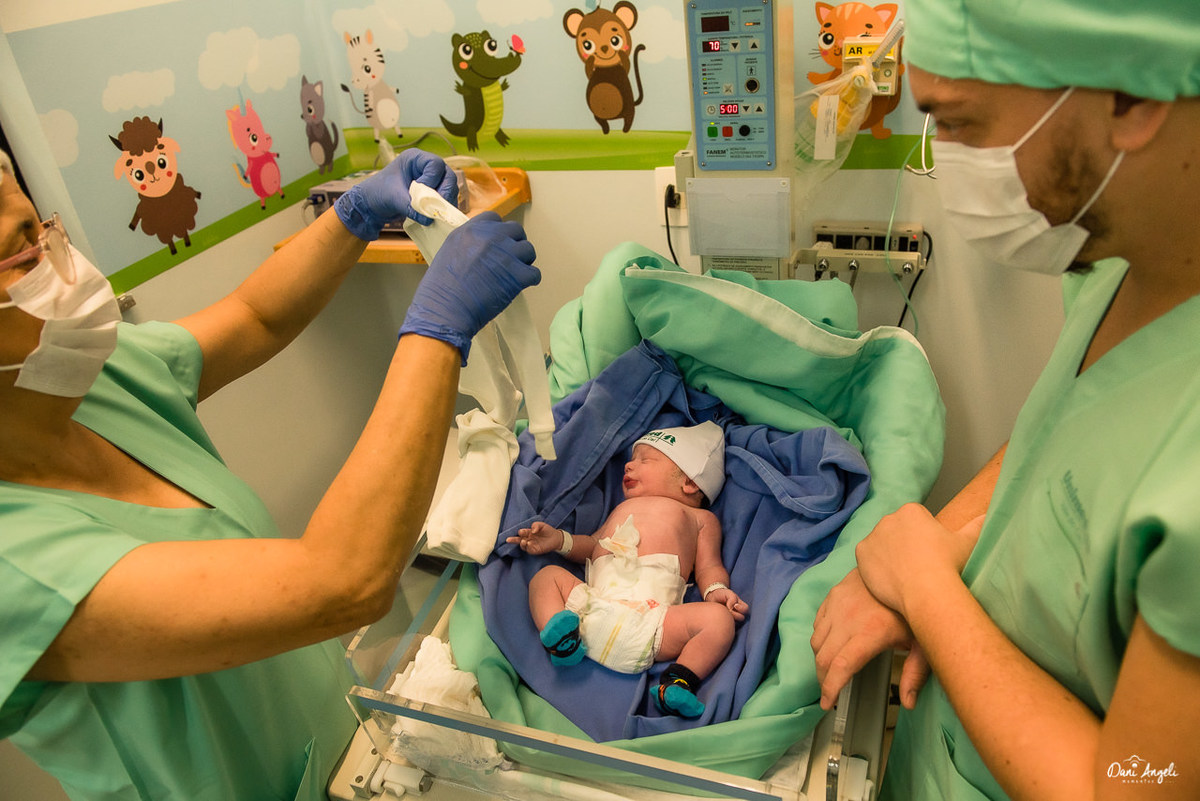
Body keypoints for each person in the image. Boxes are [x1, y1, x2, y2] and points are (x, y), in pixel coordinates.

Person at [0, 147, 540, 800]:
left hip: (337, 745)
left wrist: (355, 213)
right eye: (21, 264)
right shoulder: (15, 564)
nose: (41, 245)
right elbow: (344, 581)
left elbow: (255, 316)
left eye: (40, 234)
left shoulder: (91, 380)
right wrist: (438, 325)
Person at [809, 0, 1200, 797]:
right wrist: (921, 551)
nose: (944, 159)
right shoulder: (1123, 251)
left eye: (958, 122)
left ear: (1130, 98)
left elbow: (1135, 784)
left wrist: (926, 587)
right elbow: (1060, 440)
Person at [506, 422, 749, 718]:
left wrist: (716, 590)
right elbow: (592, 546)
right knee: (544, 578)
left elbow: (709, 565)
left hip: (654, 621)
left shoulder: (700, 519)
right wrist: (559, 540)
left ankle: (678, 682)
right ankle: (561, 640)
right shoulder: (622, 508)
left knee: (719, 621)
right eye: (632, 459)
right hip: (590, 608)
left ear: (689, 482)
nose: (629, 465)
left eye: (645, 460)